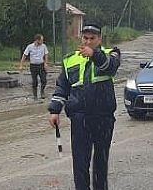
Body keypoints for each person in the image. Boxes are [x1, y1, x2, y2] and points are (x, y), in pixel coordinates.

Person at [48, 23, 121, 190]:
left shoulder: (111, 54)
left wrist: (95, 54)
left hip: (103, 117)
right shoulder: (70, 59)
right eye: (85, 38)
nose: (88, 42)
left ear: (99, 39)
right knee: (80, 162)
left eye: (92, 38)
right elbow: (62, 87)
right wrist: (54, 110)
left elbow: (110, 67)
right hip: (80, 118)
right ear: (81, 38)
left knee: (100, 162)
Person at [19, 34, 49, 100]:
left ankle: (42, 92)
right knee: (35, 81)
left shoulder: (43, 46)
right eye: (41, 40)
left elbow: (46, 54)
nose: (42, 41)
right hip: (33, 66)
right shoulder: (30, 47)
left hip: (41, 65)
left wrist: (46, 63)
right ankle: (35, 95)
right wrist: (21, 65)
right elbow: (24, 55)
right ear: (37, 40)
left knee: (44, 80)